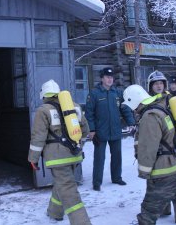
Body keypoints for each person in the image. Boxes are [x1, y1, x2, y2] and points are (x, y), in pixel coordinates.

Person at [123, 84, 176, 225]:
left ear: (134, 101)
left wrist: (144, 171)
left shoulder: (150, 116)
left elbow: (148, 147)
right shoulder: (162, 108)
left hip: (164, 170)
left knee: (150, 208)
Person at [28, 79, 91, 225]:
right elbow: (85, 130)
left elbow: (38, 137)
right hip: (74, 154)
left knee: (68, 189)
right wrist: (78, 145)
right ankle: (54, 212)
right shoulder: (74, 106)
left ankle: (82, 222)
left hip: (56, 158)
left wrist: (33, 158)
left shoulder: (43, 110)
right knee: (63, 183)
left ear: (44, 95)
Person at [85, 67, 135, 191]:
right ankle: (97, 182)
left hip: (115, 130)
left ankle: (117, 177)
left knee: (117, 156)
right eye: (107, 77)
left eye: (111, 77)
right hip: (100, 132)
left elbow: (125, 109)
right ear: (102, 78)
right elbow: (89, 113)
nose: (110, 79)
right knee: (99, 158)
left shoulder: (117, 93)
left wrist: (131, 122)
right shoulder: (94, 93)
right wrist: (91, 130)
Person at [147, 71, 176, 224]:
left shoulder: (173, 100)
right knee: (157, 178)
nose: (159, 86)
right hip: (156, 145)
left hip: (173, 145)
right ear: (151, 86)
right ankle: (164, 208)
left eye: (161, 83)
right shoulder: (147, 101)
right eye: (155, 83)